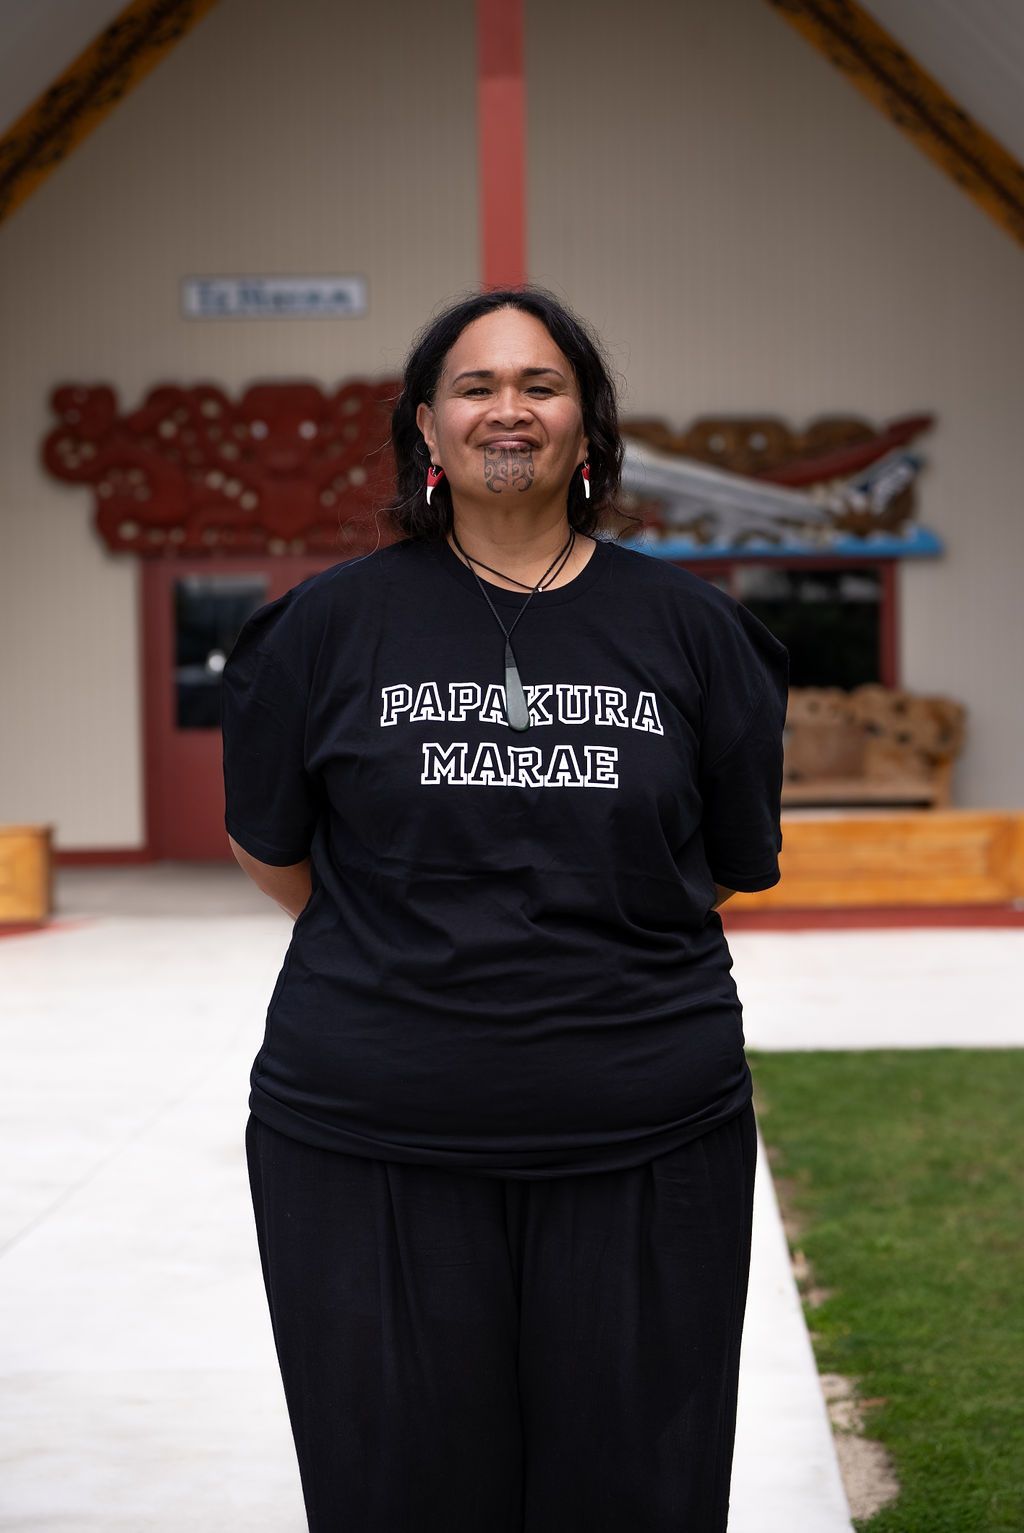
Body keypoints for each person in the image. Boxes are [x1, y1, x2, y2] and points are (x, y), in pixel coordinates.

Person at [221, 284, 789, 1532]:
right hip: (368, 1141)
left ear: (589, 433)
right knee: (401, 1494)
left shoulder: (695, 632)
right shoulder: (321, 630)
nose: (507, 409)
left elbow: (732, 859)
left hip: (649, 1138)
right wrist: (411, 956)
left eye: (541, 384)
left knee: (633, 1492)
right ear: (425, 430)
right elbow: (274, 851)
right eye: (474, 386)